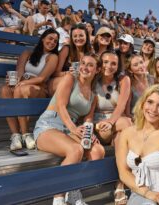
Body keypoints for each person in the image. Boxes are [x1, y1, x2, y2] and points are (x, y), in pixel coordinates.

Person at [34, 54, 105, 205]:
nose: (85, 67)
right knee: (76, 150)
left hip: (69, 129)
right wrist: (73, 129)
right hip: (50, 124)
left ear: (97, 70)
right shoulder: (70, 79)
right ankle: (58, 198)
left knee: (98, 151)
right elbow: (60, 106)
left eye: (90, 65)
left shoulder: (93, 95)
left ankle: (73, 190)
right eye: (83, 63)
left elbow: (88, 119)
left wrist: (89, 133)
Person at [0, 28, 59, 151]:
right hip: (23, 84)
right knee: (5, 90)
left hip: (40, 88)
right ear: (43, 38)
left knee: (21, 90)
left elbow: (42, 78)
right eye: (50, 38)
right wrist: (15, 81)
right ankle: (16, 135)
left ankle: (26, 134)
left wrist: (24, 82)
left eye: (55, 41)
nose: (52, 42)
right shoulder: (27, 53)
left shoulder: (52, 57)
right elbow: (19, 71)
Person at [93, 50, 132, 204]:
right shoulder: (93, 79)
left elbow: (121, 105)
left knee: (121, 133)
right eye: (105, 62)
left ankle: (119, 184)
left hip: (115, 120)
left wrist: (110, 122)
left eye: (113, 63)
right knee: (126, 124)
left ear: (118, 66)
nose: (109, 66)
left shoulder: (124, 80)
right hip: (97, 123)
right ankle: (121, 183)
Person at [48, 23, 91, 96]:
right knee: (71, 80)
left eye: (81, 35)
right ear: (71, 38)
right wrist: (68, 73)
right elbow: (54, 73)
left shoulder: (90, 53)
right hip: (58, 82)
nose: (78, 38)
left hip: (77, 85)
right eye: (75, 36)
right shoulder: (66, 49)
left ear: (86, 36)